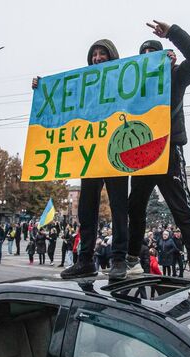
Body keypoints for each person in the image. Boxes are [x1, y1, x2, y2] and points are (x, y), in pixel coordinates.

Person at [126, 20, 190, 297]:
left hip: (167, 152)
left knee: (180, 208)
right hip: (140, 153)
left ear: (165, 58)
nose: (149, 58)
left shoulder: (176, 77)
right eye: (144, 56)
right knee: (134, 208)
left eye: (155, 54)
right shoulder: (131, 87)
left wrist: (172, 33)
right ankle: (131, 261)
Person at [33, 40, 128, 280]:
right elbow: (62, 104)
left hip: (115, 152)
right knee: (86, 210)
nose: (97, 58)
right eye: (94, 54)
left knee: (118, 208)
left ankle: (119, 259)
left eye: (102, 54)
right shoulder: (83, 87)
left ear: (112, 57)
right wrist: (42, 88)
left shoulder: (123, 81)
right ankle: (85, 260)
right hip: (91, 154)